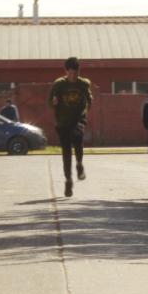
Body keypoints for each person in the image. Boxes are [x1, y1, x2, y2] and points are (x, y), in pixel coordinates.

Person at [48, 56, 93, 197]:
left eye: (76, 73)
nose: (74, 76)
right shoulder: (59, 84)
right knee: (66, 153)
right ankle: (68, 180)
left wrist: (85, 112)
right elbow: (49, 102)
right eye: (71, 73)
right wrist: (54, 102)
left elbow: (89, 100)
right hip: (63, 123)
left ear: (79, 71)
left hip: (78, 120)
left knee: (77, 139)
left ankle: (79, 164)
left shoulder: (83, 84)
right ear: (66, 71)